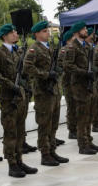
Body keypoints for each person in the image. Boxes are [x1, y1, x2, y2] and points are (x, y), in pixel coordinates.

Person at [0, 24, 38, 177]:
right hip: (9, 98)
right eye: (12, 33)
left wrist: (26, 86)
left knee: (20, 131)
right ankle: (12, 164)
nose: (16, 34)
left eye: (16, 32)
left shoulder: (17, 52)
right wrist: (12, 85)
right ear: (5, 36)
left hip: (20, 97)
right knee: (11, 132)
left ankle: (19, 160)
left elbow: (23, 72)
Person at [23, 21, 69, 166]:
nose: (48, 33)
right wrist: (46, 75)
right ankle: (45, 154)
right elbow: (27, 67)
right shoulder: (34, 49)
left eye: (48, 31)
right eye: (44, 31)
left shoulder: (49, 48)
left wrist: (57, 72)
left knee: (53, 124)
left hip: (54, 91)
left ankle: (52, 151)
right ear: (36, 34)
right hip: (43, 91)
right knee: (44, 124)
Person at [63, 21, 98, 154]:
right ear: (77, 32)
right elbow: (67, 65)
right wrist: (84, 72)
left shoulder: (87, 46)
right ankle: (82, 144)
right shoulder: (72, 47)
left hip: (90, 84)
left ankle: (88, 140)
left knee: (90, 115)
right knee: (82, 116)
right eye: (84, 29)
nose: (86, 31)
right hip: (79, 86)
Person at [58, 30, 76, 140]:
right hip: (68, 82)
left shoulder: (75, 49)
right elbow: (61, 66)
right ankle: (72, 129)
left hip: (76, 82)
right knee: (72, 106)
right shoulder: (63, 51)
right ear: (70, 39)